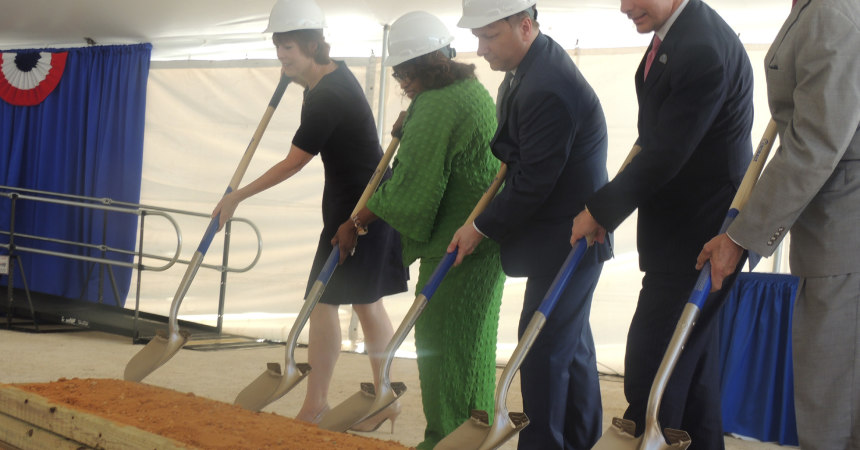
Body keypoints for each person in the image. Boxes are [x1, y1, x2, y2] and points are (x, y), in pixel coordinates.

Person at [211, 0, 408, 424]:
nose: (282, 54)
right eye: (279, 45)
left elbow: (293, 162)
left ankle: (379, 397)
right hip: (347, 203)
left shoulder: (328, 96)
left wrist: (237, 196)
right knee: (333, 304)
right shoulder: (323, 82)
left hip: (365, 209)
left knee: (359, 304)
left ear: (314, 46)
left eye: (290, 48)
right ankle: (333, 401)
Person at [569, 0, 754, 447]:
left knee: (655, 371)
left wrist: (600, 210)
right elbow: (658, 138)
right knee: (691, 380)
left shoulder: (701, 46)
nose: (624, 6)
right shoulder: (679, 35)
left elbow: (666, 153)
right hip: (684, 232)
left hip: (702, 238)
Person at [332, 11, 506, 449]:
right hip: (484, 243)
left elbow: (413, 190)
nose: (402, 83)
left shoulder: (434, 106)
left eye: (403, 74)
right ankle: (473, 434)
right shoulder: (468, 90)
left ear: (420, 67)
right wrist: (411, 129)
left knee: (443, 354)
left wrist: (355, 222)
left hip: (457, 248)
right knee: (473, 349)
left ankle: (445, 438)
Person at [695, 0, 860, 447]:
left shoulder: (831, 12)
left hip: (844, 243)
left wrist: (739, 236)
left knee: (833, 414)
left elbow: (813, 145)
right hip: (832, 241)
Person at [449, 1, 611, 448]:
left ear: (525, 26)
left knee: (540, 351)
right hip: (558, 235)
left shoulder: (548, 86)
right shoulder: (527, 69)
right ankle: (579, 439)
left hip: (573, 237)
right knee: (569, 350)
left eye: (489, 37)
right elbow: (515, 156)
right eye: (477, 37)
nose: (480, 49)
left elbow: (534, 182)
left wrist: (479, 227)